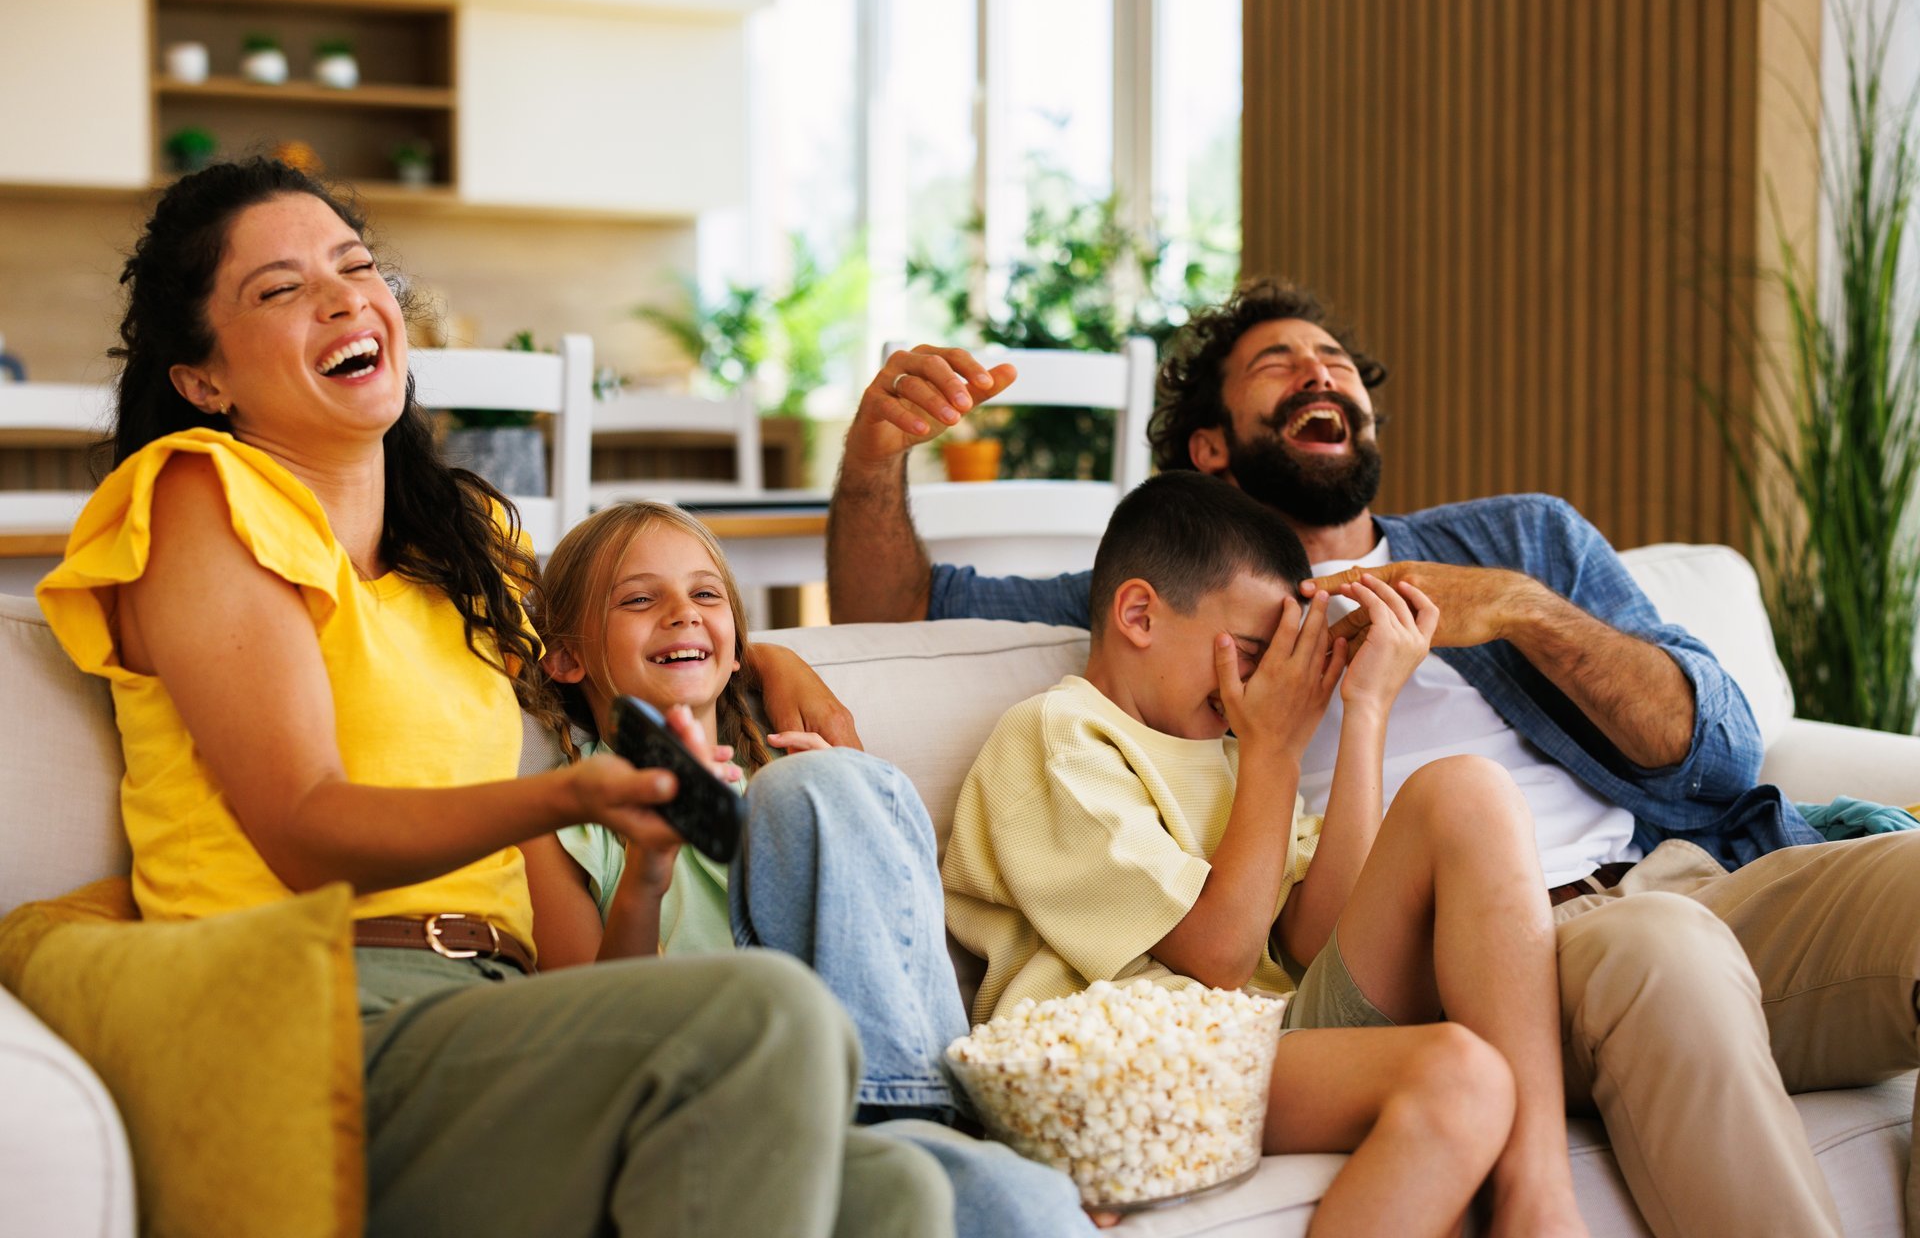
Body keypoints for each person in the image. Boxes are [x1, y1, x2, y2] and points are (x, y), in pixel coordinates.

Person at [828, 282, 1920, 1238]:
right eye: (1278, 362)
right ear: (1211, 445)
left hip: (1699, 866)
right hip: (1528, 949)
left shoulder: (1522, 540)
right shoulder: (1175, 609)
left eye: (1337, 361)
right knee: (1640, 933)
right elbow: (895, 615)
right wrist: (873, 458)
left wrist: (1525, 613)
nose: (1319, 371)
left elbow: (1722, 756)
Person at [36, 157, 954, 1238]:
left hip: (495, 1009)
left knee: (902, 1191)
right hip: (322, 1015)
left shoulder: (466, 549)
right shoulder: (198, 495)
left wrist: (765, 659)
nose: (344, 298)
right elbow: (302, 828)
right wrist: (569, 794)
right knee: (766, 1017)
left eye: (356, 266)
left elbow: (611, 627)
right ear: (203, 378)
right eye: (280, 289)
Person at [946, 470, 1583, 1237]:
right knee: (1463, 1078)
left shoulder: (1225, 751)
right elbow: (1215, 955)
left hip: (1255, 1036)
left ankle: (1539, 1203)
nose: (1265, 680)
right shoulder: (1060, 736)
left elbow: (1316, 939)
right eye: (1251, 650)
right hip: (1127, 1067)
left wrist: (1365, 710)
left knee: (1469, 792)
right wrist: (1273, 751)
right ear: (1140, 614)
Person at [522, 499, 1098, 1236]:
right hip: (741, 1096)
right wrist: (647, 867)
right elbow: (598, 1033)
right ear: (567, 656)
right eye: (639, 599)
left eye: (706, 594)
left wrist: (851, 795)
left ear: (735, 651)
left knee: (1031, 1205)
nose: (682, 612)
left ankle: (924, 1124)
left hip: (873, 1092)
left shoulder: (789, 778)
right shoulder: (565, 819)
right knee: (1017, 1204)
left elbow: (903, 955)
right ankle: (931, 1135)